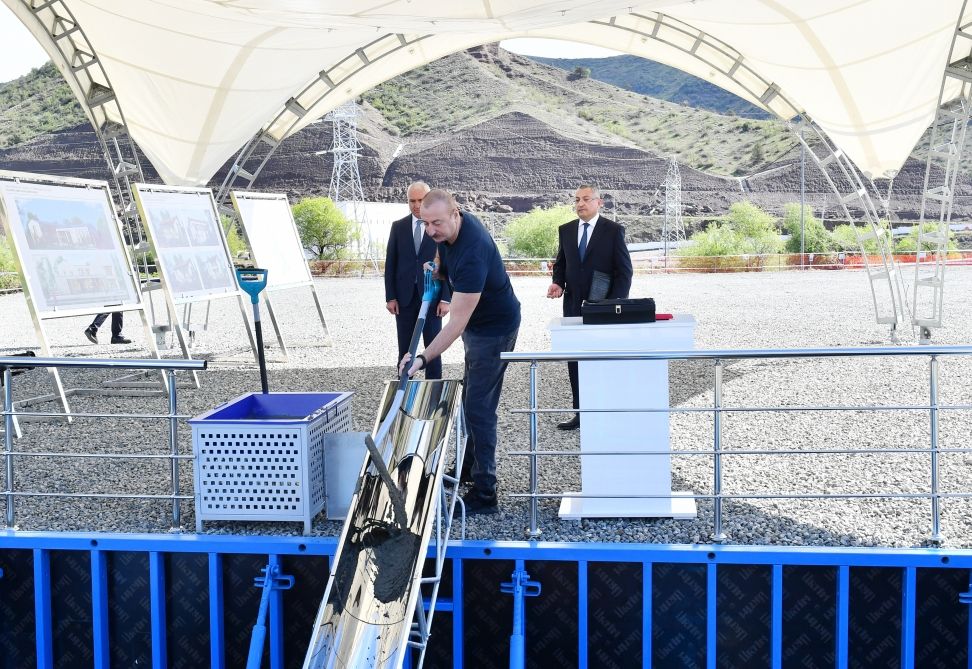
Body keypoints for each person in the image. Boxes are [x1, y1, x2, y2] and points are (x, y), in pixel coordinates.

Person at [400, 189, 520, 515]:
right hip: (476, 326)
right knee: (468, 400)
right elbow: (441, 253)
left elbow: (455, 325)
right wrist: (438, 271)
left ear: (456, 213)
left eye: (436, 223)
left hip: (494, 329)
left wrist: (422, 358)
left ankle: (485, 492)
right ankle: (468, 467)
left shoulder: (474, 251)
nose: (431, 231)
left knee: (479, 408)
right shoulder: (448, 230)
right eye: (425, 224)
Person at [546, 185, 633, 430]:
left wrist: (614, 304)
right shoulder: (566, 230)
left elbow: (624, 272)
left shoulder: (613, 231)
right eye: (576, 200)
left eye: (585, 199)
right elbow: (561, 263)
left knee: (603, 359)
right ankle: (581, 413)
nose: (580, 204)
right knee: (575, 360)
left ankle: (607, 411)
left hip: (603, 308)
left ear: (599, 203)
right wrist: (557, 283)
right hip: (573, 307)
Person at [384, 181, 451, 378]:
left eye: (420, 200)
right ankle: (404, 393)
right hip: (404, 300)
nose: (416, 204)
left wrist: (446, 298)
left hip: (432, 299)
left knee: (433, 349)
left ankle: (433, 395)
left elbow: (447, 264)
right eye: (411, 200)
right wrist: (391, 297)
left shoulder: (440, 227)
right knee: (405, 349)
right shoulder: (398, 227)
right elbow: (391, 264)